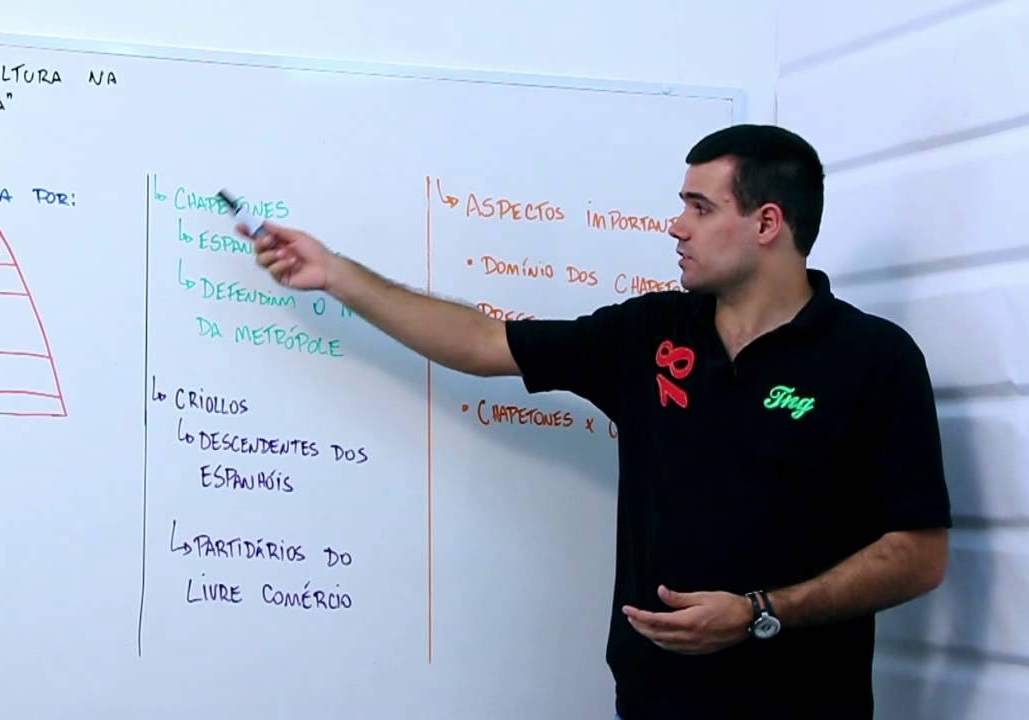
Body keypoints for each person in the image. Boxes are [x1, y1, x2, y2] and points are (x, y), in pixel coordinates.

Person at [241, 124, 951, 719]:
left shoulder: (873, 359)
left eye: (700, 208)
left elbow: (918, 554)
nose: (675, 225)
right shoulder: (650, 333)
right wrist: (336, 273)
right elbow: (484, 343)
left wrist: (762, 611)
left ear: (767, 223)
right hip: (652, 704)